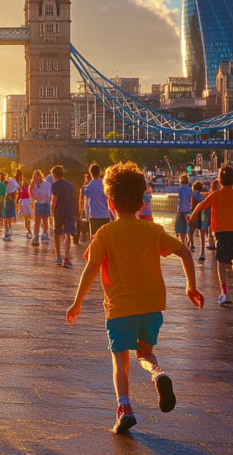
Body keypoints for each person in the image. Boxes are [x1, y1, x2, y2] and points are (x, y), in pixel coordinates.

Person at [66, 161, 204, 435]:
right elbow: (185, 253)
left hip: (120, 308)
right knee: (146, 354)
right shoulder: (153, 230)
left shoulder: (105, 232)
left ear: (109, 202)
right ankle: (158, 375)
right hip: (151, 307)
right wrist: (191, 286)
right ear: (143, 202)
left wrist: (77, 302)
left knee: (120, 362)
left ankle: (124, 407)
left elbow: (91, 269)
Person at [189, 166, 233, 306]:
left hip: (222, 231)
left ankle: (224, 291)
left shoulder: (215, 195)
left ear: (220, 181)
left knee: (221, 261)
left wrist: (192, 217)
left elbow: (201, 206)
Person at [50, 165, 76, 268]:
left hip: (59, 211)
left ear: (54, 174)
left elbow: (54, 199)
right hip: (69, 211)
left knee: (57, 233)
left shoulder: (55, 185)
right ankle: (66, 257)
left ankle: (57, 256)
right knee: (67, 233)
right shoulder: (70, 185)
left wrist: (52, 211)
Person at [83, 163, 112, 238]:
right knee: (106, 239)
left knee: (94, 240)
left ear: (90, 173)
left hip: (94, 216)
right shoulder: (105, 184)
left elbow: (86, 199)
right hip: (105, 215)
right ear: (100, 173)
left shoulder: (89, 186)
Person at [30, 170, 52, 245]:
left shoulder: (45, 184)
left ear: (39, 177)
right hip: (42, 203)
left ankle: (42, 234)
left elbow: (48, 194)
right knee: (39, 221)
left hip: (43, 203)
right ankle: (39, 235)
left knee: (43, 220)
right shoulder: (35, 185)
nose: (34, 178)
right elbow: (33, 195)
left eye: (35, 177)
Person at [189, 182, 208, 262]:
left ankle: (192, 244)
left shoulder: (193, 196)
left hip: (195, 215)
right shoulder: (204, 196)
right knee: (202, 234)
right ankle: (202, 252)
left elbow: (192, 207)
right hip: (203, 215)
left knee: (190, 230)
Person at [175, 175, 193, 249]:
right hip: (188, 209)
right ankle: (189, 241)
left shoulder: (180, 189)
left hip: (181, 209)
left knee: (181, 227)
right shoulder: (190, 189)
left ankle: (183, 243)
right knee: (187, 226)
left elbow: (180, 200)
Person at [3, 171, 19, 241]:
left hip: (7, 201)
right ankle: (8, 228)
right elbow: (17, 191)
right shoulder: (13, 184)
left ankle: (7, 229)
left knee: (6, 216)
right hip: (10, 201)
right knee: (9, 216)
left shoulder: (7, 184)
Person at [18, 170, 32, 238]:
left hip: (27, 202)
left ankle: (28, 230)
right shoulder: (22, 187)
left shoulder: (28, 187)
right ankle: (28, 231)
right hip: (24, 202)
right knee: (26, 218)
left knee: (28, 218)